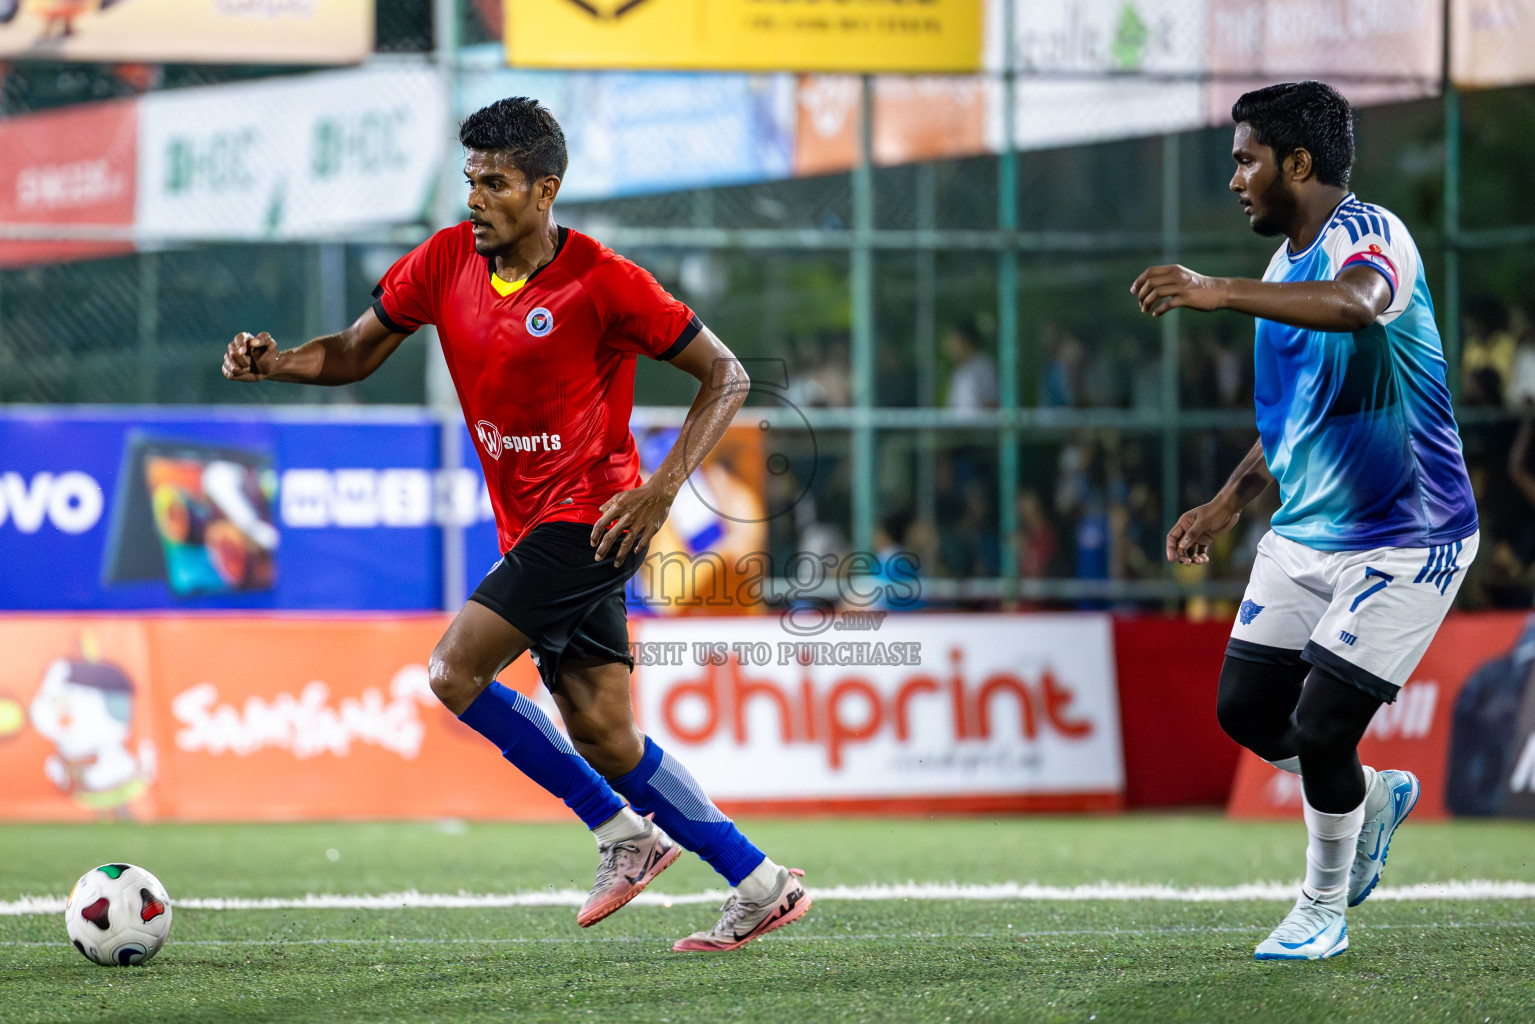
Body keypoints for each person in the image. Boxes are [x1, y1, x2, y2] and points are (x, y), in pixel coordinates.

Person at [220, 97, 810, 953]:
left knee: (452, 671)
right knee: (606, 736)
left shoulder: (604, 281)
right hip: (527, 527)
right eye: (469, 180)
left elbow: (725, 375)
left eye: (494, 183)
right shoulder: (444, 261)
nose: (474, 199)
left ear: (544, 191)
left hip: (593, 519)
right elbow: (353, 351)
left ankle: (621, 836)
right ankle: (760, 884)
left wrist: (660, 491)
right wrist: (277, 365)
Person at [1132, 81, 1479, 961]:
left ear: (1298, 163)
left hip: (1409, 536)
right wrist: (1226, 502)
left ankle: (1320, 908)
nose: (1235, 178)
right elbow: (1294, 422)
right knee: (1246, 709)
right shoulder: (1285, 270)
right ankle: (1368, 795)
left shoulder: (1372, 237)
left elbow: (1356, 304)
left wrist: (1215, 290)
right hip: (1305, 535)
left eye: (1246, 159)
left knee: (1322, 725)